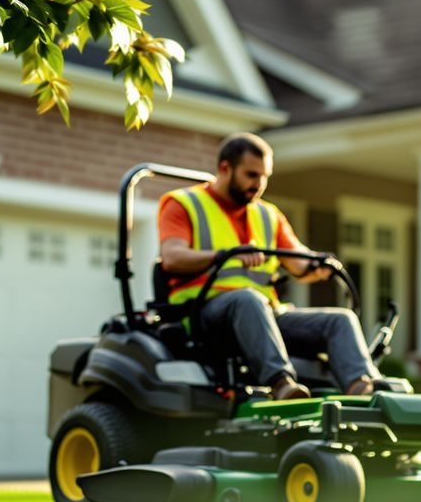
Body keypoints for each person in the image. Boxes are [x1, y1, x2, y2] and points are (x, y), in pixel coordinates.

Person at [157, 132, 381, 401]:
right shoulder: (183, 204)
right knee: (247, 300)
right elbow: (172, 257)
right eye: (251, 175)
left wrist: (318, 264)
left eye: (264, 176)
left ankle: (364, 390)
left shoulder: (268, 214)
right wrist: (225, 255)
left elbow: (298, 262)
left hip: (262, 315)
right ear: (225, 168)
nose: (259, 184)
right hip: (203, 315)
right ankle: (281, 384)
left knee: (339, 320)